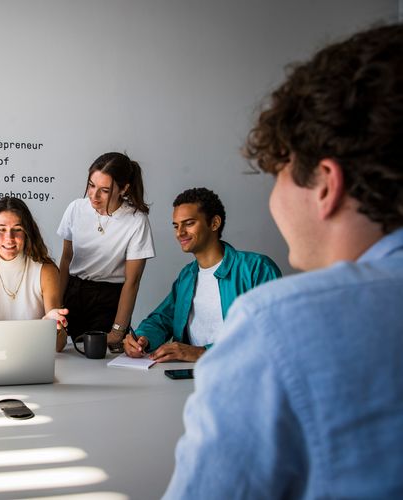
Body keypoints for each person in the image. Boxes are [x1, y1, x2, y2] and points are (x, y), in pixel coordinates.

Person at [163, 24, 403, 498]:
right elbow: (158, 318)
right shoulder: (186, 278)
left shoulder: (277, 323)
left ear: (326, 186)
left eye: (277, 175)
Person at [124, 188, 281, 362]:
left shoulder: (256, 268)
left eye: (189, 223)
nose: (179, 232)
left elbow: (272, 331)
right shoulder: (187, 276)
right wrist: (142, 338)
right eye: (176, 226)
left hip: (244, 373)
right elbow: (163, 318)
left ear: (214, 223)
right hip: (188, 375)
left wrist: (202, 352)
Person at [57, 152, 155, 348]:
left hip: (108, 300)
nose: (94, 195)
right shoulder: (76, 208)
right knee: (64, 359)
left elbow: (132, 282)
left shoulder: (136, 221)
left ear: (124, 188)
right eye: (91, 185)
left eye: (104, 190)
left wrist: (118, 330)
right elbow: (66, 259)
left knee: (99, 364)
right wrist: (56, 307)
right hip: (73, 292)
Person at [0, 197, 68, 351]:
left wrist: (52, 328)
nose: (9, 238)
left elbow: (59, 345)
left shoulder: (46, 271)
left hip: (35, 354)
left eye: (17, 229)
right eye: (1, 229)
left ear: (26, 233)